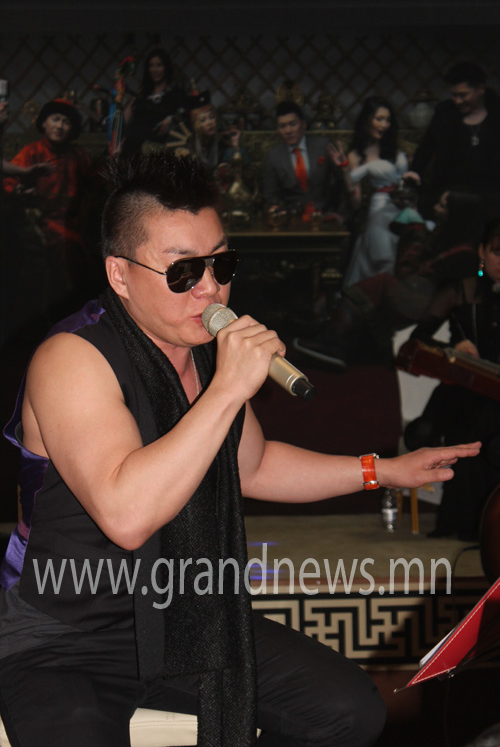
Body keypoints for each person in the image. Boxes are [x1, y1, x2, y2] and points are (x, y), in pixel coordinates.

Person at [0, 151, 480, 747]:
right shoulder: (72, 358)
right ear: (120, 275)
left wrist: (382, 471)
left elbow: (253, 464)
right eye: (183, 271)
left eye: (221, 263)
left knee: (350, 711)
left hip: (185, 618)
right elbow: (127, 515)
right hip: (66, 637)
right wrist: (227, 389)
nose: (210, 288)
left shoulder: (203, 351)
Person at [293, 189, 479, 368]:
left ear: (457, 212)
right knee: (379, 284)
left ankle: (333, 340)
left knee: (381, 282)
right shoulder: (443, 236)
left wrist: (415, 234)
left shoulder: (463, 252)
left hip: (427, 306)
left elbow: (416, 273)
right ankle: (333, 337)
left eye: (443, 206)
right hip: (419, 294)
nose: (436, 208)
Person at [405, 217, 500, 540]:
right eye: (497, 252)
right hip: (466, 390)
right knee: (478, 424)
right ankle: (472, 524)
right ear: (482, 251)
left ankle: (488, 525)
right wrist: (453, 348)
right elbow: (418, 339)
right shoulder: (460, 289)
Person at [3, 98, 99, 323]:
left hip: (73, 219)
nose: (59, 126)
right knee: (69, 246)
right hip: (41, 220)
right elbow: (9, 181)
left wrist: (115, 157)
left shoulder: (77, 155)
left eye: (66, 122)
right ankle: (59, 312)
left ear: (72, 128)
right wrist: (17, 190)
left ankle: (78, 310)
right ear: (44, 123)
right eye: (55, 119)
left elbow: (97, 178)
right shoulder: (32, 152)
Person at [329, 96, 410, 287]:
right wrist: (345, 172)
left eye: (387, 120)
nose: (384, 125)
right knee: (383, 256)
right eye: (379, 119)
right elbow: (356, 203)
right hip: (378, 208)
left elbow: (406, 186)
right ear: (367, 120)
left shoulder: (395, 152)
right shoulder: (356, 155)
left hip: (400, 208)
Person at [410, 62, 500, 221]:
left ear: (480, 89)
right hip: (446, 195)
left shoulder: (496, 115)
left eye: (463, 95)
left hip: (486, 198)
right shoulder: (445, 112)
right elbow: (426, 147)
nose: (457, 101)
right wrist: (414, 173)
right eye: (453, 95)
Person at [262, 101, 340, 214]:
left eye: (293, 124)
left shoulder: (323, 147)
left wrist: (340, 215)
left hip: (325, 213)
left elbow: (342, 184)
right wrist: (276, 210)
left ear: (303, 125)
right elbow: (270, 195)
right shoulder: (274, 156)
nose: (288, 131)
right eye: (282, 126)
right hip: (291, 216)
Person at [122, 46, 189, 157]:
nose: (155, 70)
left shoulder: (175, 94)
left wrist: (171, 119)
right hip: (131, 145)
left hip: (155, 149)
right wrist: (132, 99)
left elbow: (186, 113)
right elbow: (124, 120)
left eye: (159, 65)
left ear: (166, 67)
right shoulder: (143, 94)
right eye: (151, 66)